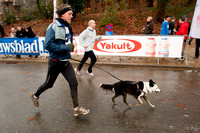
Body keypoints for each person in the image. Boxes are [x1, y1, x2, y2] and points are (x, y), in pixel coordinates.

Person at [29, 4, 90, 117]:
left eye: (72, 14)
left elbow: (67, 43)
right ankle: (35, 95)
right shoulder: (52, 27)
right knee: (49, 84)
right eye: (69, 14)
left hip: (66, 62)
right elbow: (48, 45)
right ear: (62, 15)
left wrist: (68, 50)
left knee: (74, 83)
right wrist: (66, 48)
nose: (72, 16)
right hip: (55, 62)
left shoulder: (69, 27)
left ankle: (76, 108)